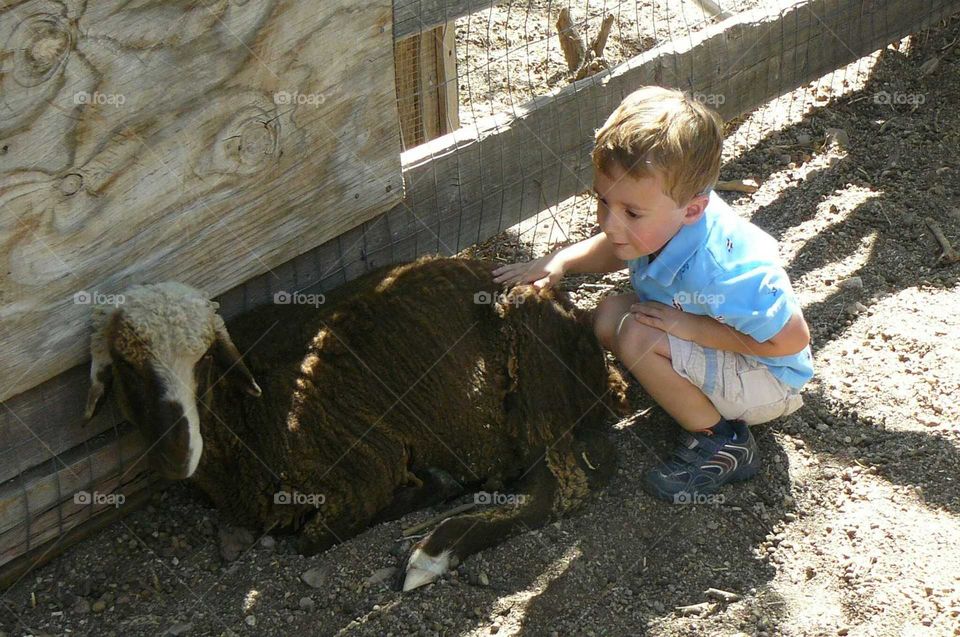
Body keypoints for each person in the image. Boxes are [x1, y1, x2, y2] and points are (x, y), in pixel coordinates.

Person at [492, 86, 813, 503]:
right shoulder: (661, 224)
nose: (609, 223)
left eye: (630, 213)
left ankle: (724, 443)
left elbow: (791, 340)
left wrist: (693, 329)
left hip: (768, 379)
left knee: (636, 337)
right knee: (610, 315)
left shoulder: (723, 272)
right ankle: (675, 385)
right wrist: (563, 261)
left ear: (693, 209)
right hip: (713, 337)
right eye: (602, 201)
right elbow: (617, 247)